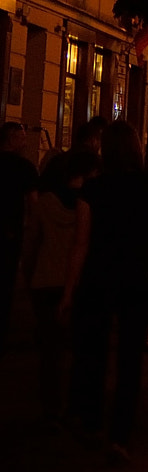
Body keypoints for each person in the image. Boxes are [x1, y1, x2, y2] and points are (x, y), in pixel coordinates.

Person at [62, 121, 148, 462]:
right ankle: (120, 436)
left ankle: (91, 422)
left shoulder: (92, 189)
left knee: (93, 352)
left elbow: (81, 243)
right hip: (136, 278)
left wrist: (69, 290)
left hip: (98, 277)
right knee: (129, 360)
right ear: (137, 148)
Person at [22, 149, 84, 421]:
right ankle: (77, 404)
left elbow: (31, 244)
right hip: (78, 280)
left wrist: (29, 276)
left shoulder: (45, 204)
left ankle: (51, 406)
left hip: (45, 281)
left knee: (50, 350)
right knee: (79, 348)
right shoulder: (86, 205)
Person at [0, 120, 42, 351]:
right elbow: (33, 203)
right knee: (5, 281)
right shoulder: (25, 168)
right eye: (22, 138)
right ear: (12, 139)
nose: (25, 142)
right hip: (10, 231)